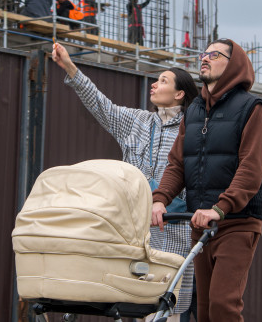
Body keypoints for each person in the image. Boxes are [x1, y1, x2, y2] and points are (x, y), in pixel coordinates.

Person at [51, 42, 200, 321]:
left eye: (163, 81)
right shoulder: (137, 122)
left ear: (180, 93)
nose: (154, 85)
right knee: (132, 301)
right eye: (155, 80)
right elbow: (100, 105)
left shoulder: (193, 130)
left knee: (168, 307)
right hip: (136, 229)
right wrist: (70, 67)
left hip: (175, 228)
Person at [151, 38, 262, 322]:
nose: (205, 58)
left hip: (237, 222)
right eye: (204, 53)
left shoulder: (252, 108)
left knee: (223, 305)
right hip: (200, 223)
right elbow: (178, 163)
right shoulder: (193, 111)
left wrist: (219, 208)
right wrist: (160, 199)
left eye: (215, 55)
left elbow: (251, 169)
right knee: (203, 310)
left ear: (234, 65)